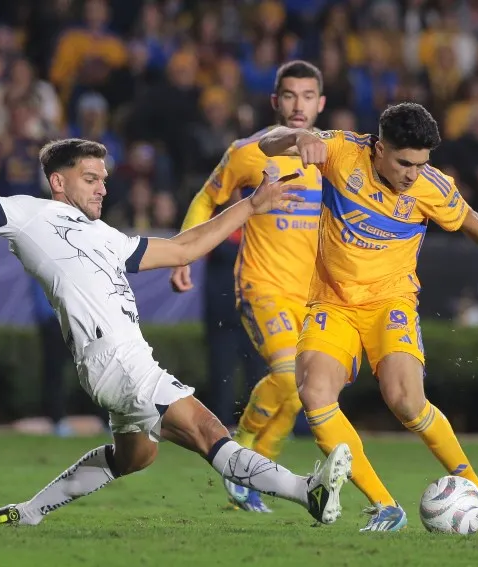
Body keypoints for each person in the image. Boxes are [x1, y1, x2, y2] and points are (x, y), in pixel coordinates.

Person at [0, 130, 353, 527]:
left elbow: (186, 247)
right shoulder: (31, 216)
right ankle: (308, 492)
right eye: (90, 179)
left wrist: (251, 205)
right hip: (117, 359)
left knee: (134, 456)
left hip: (114, 361)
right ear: (58, 181)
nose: (101, 189)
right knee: (210, 432)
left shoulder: (108, 236)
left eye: (103, 180)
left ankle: (30, 512)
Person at [256, 102, 478, 533]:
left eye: (421, 164)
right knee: (314, 394)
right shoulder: (341, 152)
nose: (412, 174)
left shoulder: (429, 185)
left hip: (390, 304)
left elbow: (467, 216)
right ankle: (385, 507)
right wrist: (298, 137)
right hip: (333, 304)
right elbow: (268, 144)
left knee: (405, 400)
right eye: (404, 163)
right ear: (379, 148)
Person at [171, 60, 326, 513]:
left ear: (321, 103)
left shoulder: (334, 155)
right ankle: (240, 447)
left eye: (308, 96)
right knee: (286, 375)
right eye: (290, 96)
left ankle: (252, 471)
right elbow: (207, 196)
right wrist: (185, 251)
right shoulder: (248, 151)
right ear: (276, 101)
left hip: (313, 296)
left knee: (304, 391)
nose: (299, 106)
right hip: (261, 286)